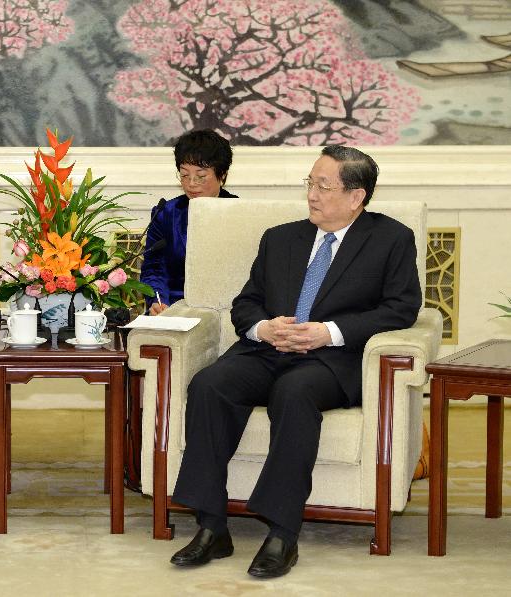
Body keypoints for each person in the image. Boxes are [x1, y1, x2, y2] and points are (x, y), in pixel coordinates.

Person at [169, 146, 421, 578]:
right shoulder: (280, 237)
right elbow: (246, 302)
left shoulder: (391, 239)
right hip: (265, 350)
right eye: (311, 183)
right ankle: (212, 526)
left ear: (356, 196)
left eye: (324, 186)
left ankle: (282, 532)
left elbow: (401, 309)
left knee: (295, 391)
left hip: (331, 360)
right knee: (210, 384)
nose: (313, 195)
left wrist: (329, 332)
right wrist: (262, 327)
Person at [142, 129, 237, 315]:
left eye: (200, 176)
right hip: (174, 308)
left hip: (226, 310)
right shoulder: (165, 214)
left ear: (222, 174)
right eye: (184, 175)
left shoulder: (241, 214)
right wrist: (158, 300)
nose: (191, 183)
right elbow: (154, 268)